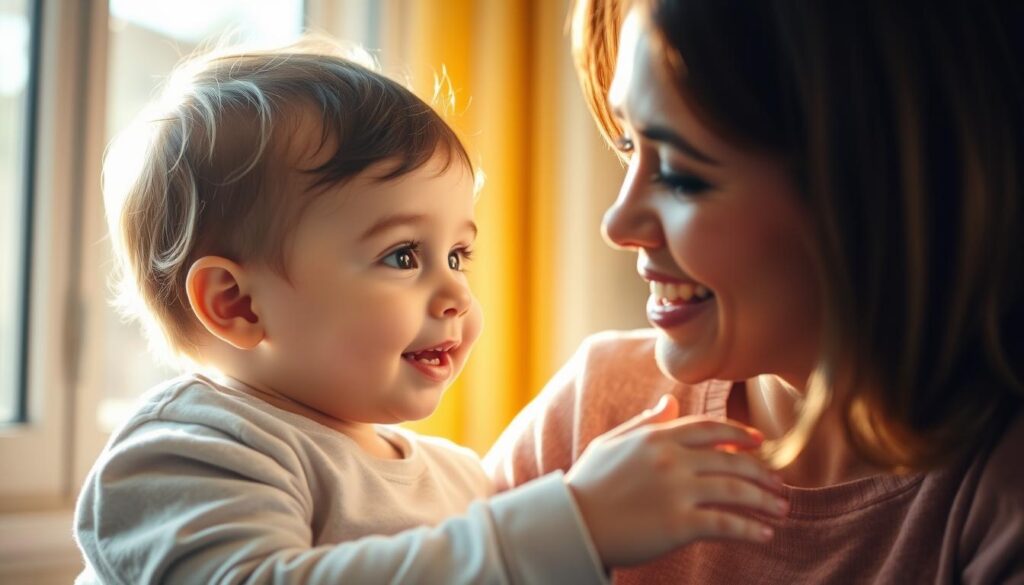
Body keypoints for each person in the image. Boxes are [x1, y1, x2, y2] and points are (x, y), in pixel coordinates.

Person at [74, 37, 790, 584]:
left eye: (457, 255)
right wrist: (571, 524)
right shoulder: (190, 452)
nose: (454, 295)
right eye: (402, 256)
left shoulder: (458, 479)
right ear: (236, 303)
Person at [485, 1, 1024, 583]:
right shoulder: (593, 415)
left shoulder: (995, 501)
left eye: (683, 175)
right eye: (626, 146)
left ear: (872, 200)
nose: (617, 223)